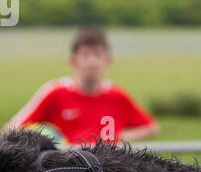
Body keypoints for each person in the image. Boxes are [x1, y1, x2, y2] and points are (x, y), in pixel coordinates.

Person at [9, 27, 159, 145]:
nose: (92, 62)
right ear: (73, 60)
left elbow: (151, 127)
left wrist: (119, 137)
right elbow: (13, 127)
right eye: (86, 55)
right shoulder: (55, 92)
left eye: (97, 55)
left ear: (108, 59)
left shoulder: (117, 96)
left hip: (107, 171)